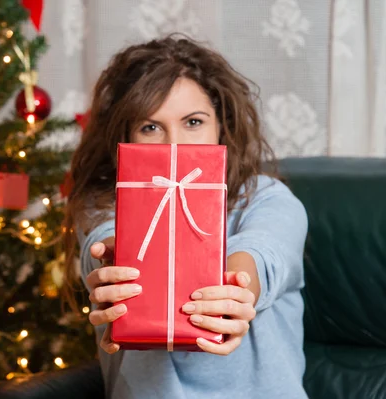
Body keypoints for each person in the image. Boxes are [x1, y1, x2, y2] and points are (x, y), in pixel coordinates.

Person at [62, 35, 309, 399]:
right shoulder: (103, 205)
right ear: (125, 136)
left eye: (193, 122)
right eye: (150, 128)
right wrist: (116, 262)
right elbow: (104, 244)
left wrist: (235, 295)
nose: (172, 145)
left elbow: (262, 254)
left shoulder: (269, 200)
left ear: (221, 126)